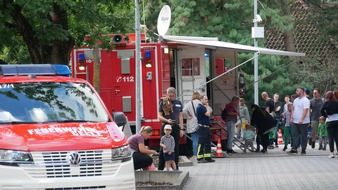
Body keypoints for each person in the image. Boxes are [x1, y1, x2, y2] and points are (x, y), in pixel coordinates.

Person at [158, 87, 184, 170]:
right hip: (166, 126)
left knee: (175, 147)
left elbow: (180, 116)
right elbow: (159, 116)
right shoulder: (163, 102)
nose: (171, 97)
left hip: (176, 127)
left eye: (173, 96)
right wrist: (167, 120)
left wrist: (182, 129)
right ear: (167, 94)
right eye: (170, 96)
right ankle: (160, 167)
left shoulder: (178, 103)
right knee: (163, 147)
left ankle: (175, 167)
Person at [288, 86, 310, 155]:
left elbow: (305, 110)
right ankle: (295, 148)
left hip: (303, 122)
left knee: (304, 135)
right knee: (295, 135)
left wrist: (301, 119)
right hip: (295, 121)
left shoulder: (305, 100)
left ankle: (303, 149)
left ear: (301, 91)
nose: (296, 92)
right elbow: (292, 109)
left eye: (297, 90)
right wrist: (291, 118)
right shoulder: (296, 100)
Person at [196, 95, 215, 163]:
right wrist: (207, 106)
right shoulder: (200, 107)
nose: (207, 101)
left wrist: (207, 106)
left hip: (206, 127)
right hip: (202, 127)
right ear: (201, 99)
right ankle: (199, 157)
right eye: (205, 99)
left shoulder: (203, 107)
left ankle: (207, 156)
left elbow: (210, 111)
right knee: (201, 142)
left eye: (207, 99)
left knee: (208, 142)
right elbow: (208, 114)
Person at [320, 91, 338, 158]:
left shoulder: (326, 103)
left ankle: (331, 153)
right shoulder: (336, 102)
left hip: (330, 120)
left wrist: (326, 115)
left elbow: (321, 110)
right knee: (337, 137)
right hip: (337, 120)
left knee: (331, 138)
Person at [183, 92, 201, 157]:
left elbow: (183, 111)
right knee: (201, 139)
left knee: (195, 139)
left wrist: (188, 116)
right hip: (200, 123)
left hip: (192, 123)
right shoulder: (200, 102)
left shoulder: (189, 103)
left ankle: (195, 154)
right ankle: (201, 153)